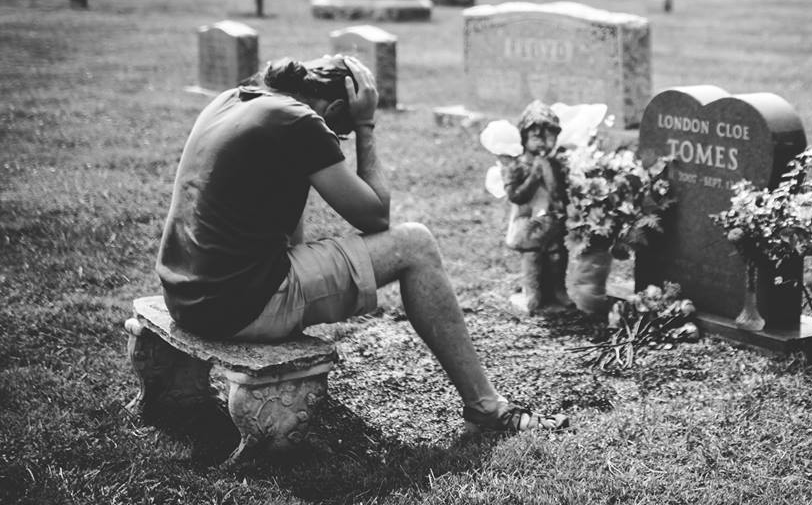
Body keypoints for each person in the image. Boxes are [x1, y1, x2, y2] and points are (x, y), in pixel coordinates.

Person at [156, 55, 569, 433]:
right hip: (237, 306)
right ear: (336, 108)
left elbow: (288, 234)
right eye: (341, 133)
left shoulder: (234, 98)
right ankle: (486, 408)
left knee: (347, 253)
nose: (338, 139)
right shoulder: (299, 121)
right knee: (415, 245)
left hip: (185, 295)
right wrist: (366, 127)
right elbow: (375, 216)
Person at [501, 101, 572, 314]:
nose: (543, 143)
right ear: (524, 138)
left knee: (557, 256)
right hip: (528, 221)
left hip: (552, 220)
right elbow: (516, 196)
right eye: (536, 137)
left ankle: (558, 291)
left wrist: (549, 171)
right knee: (533, 257)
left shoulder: (556, 165)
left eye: (549, 137)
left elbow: (560, 193)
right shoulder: (516, 166)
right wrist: (535, 175)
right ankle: (533, 293)